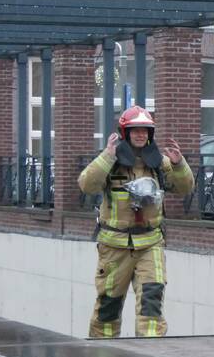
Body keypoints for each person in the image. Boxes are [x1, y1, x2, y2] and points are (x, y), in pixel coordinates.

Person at [78, 106, 194, 338]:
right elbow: (87, 185)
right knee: (108, 309)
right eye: (135, 130)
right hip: (114, 246)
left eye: (145, 130)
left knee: (151, 304)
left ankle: (149, 351)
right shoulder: (111, 162)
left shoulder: (159, 163)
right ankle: (103, 354)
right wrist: (106, 156)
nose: (140, 134)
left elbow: (186, 188)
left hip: (150, 243)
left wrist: (179, 164)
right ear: (125, 132)